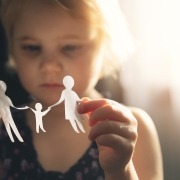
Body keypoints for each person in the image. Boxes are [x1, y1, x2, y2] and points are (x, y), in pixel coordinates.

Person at [0, 0, 163, 179]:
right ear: (13, 49)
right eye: (32, 47)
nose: (49, 66)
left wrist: (119, 170)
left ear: (105, 48)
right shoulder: (6, 128)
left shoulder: (130, 129)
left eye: (70, 47)